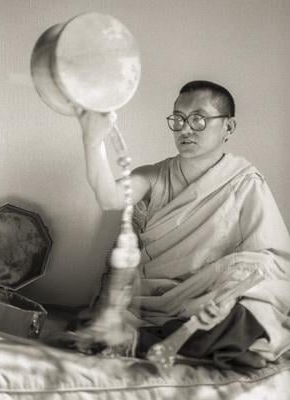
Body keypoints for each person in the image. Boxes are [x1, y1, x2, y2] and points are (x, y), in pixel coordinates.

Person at [76, 80, 290, 369]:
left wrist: (230, 293)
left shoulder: (244, 181)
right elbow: (108, 197)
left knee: (255, 309)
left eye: (198, 119)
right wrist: (93, 142)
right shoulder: (154, 175)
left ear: (228, 127)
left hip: (213, 297)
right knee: (102, 319)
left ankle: (147, 342)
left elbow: (271, 261)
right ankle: (175, 342)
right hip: (157, 302)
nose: (185, 129)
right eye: (178, 119)